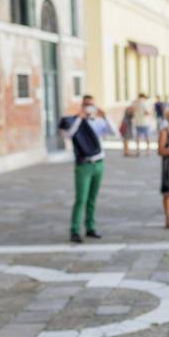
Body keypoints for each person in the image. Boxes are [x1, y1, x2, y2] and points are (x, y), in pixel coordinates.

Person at [58, 95, 118, 243]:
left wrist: (105, 115)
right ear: (82, 106)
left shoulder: (98, 122)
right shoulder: (75, 122)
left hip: (99, 164)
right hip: (84, 165)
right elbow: (67, 134)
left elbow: (114, 133)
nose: (89, 107)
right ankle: (75, 230)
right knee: (81, 199)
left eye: (92, 104)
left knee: (92, 198)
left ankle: (91, 226)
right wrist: (79, 117)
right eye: (86, 104)